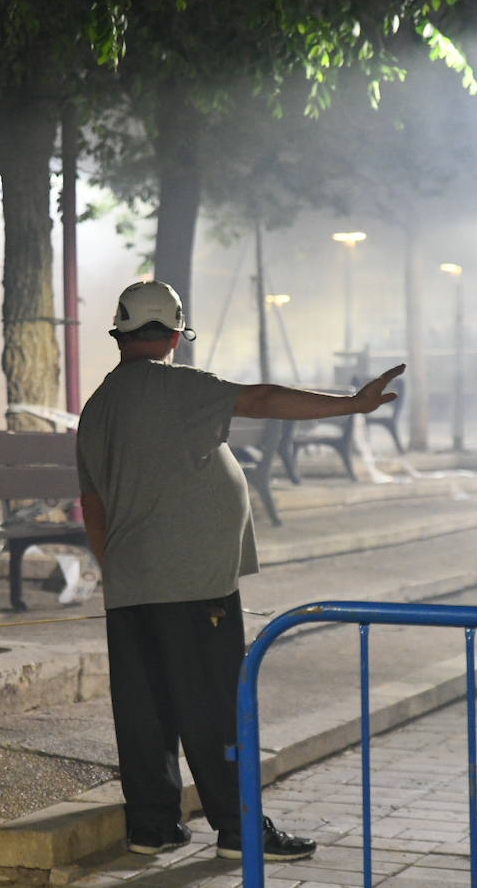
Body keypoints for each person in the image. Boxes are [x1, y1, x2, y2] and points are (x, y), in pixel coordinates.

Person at [75, 279, 404, 861]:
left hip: (132, 584)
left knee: (145, 710)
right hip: (193, 584)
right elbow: (266, 399)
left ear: (122, 332)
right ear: (177, 332)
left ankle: (152, 827)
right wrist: (353, 404)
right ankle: (237, 829)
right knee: (213, 706)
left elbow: (93, 503)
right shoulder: (180, 387)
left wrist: (119, 571)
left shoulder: (99, 405)